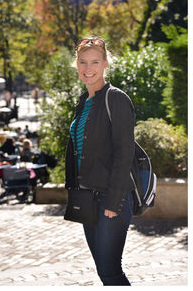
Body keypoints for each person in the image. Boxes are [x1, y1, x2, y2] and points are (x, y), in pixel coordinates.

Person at [65, 37, 135, 286]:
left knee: (110, 272)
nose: (88, 68)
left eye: (95, 61)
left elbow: (124, 152)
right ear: (76, 64)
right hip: (87, 199)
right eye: (83, 62)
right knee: (104, 272)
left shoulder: (116, 98)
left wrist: (113, 203)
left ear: (105, 63)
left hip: (110, 199)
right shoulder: (83, 102)